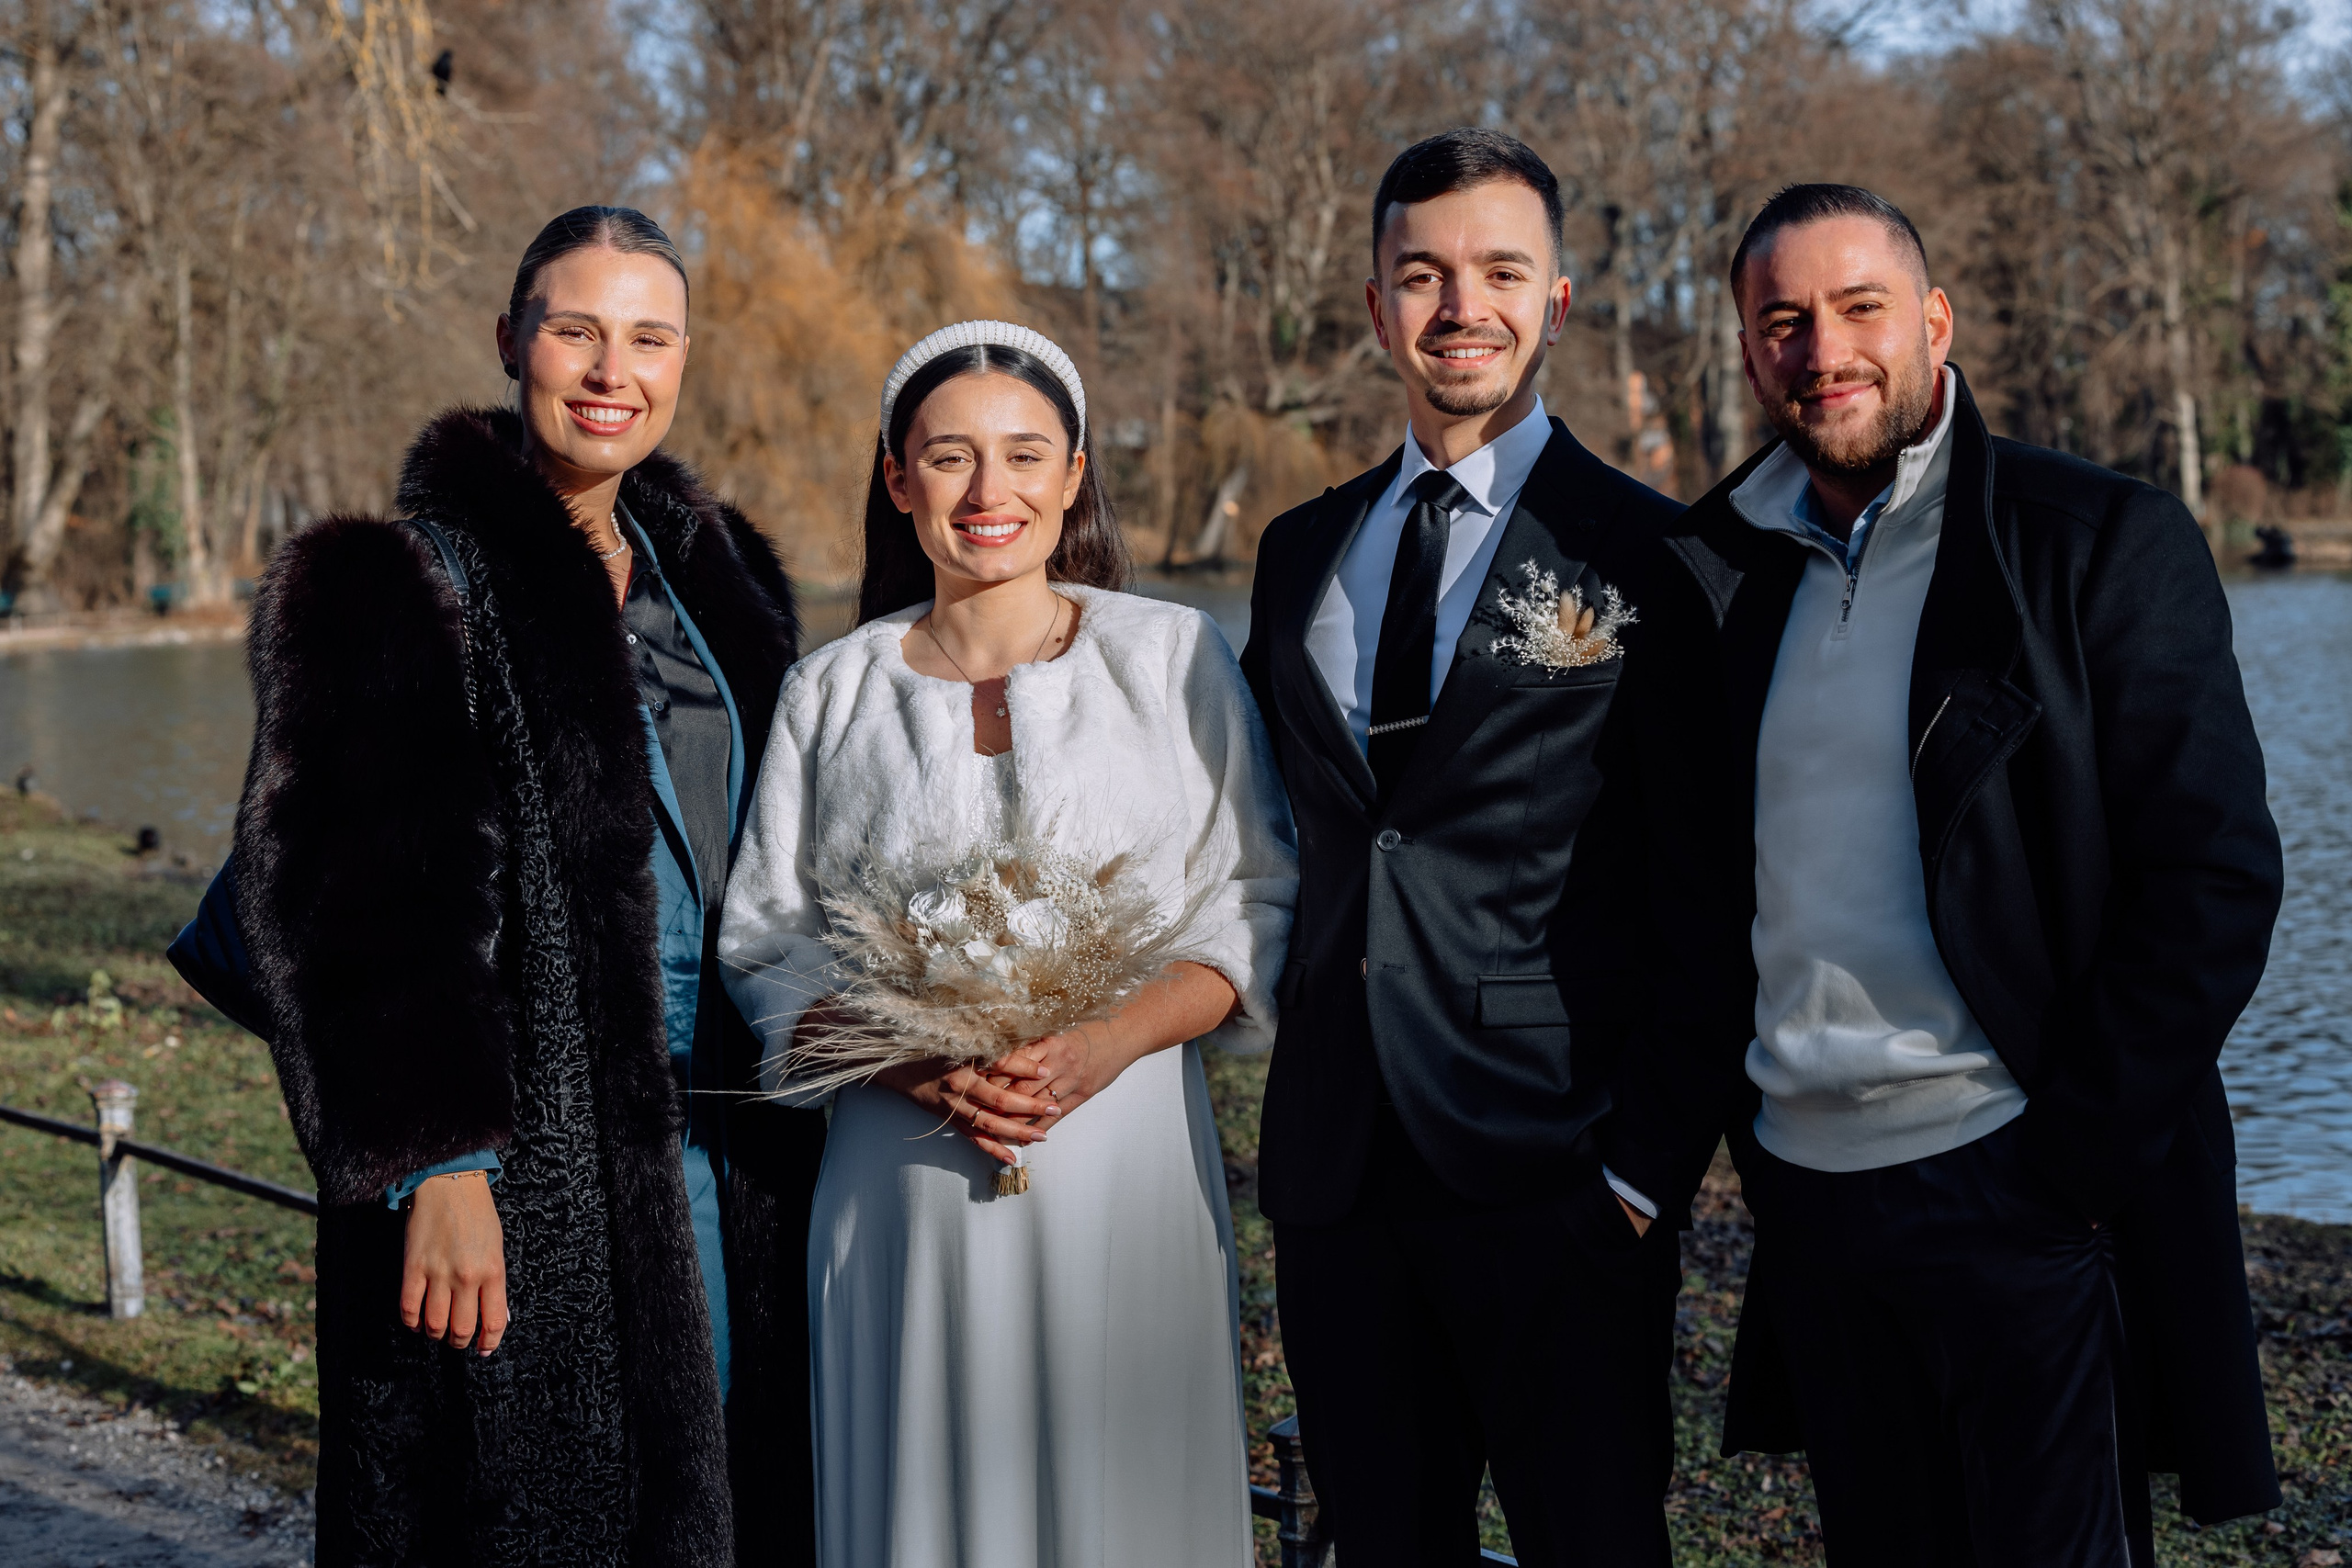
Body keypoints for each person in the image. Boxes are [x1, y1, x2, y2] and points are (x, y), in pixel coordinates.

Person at [1599, 184, 2286, 1562]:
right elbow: (1693, 910)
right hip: (1814, 1201)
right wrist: (1640, 1166)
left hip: (2022, 1183)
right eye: (1781, 320)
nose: (1823, 349)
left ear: (1934, 319)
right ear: (1747, 349)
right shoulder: (1713, 575)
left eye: (1859, 309)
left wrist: (2074, 1159)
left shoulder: (2093, 540)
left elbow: (2213, 878)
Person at [233, 206, 824, 1565]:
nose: (612, 369)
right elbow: (351, 895)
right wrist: (436, 1163)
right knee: (530, 1513)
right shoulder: (392, 582)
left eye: (649, 337)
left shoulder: (723, 588)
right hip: (525, 1152)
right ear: (512, 341)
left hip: (729, 1145)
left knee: (733, 1497)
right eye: (576, 330)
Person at [718, 321, 1297, 1568]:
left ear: (1076, 472)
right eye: (950, 458)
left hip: (1126, 1162)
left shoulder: (1172, 658)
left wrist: (1110, 1041)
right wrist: (908, 1063)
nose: (991, 493)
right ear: (896, 478)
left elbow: (1253, 897)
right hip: (903, 1177)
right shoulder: (832, 692)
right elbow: (766, 943)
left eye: (1026, 455)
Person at [1235, 129, 1683, 1564]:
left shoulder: (1652, 553)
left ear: (1554, 302)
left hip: (1556, 1159)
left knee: (1594, 1540)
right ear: (1377, 306)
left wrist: (1640, 1170)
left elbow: (1707, 885)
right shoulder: (1300, 550)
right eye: (1421, 274)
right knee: (1382, 1542)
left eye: (1500, 271)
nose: (1459, 306)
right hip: (1337, 1166)